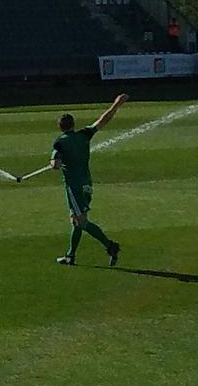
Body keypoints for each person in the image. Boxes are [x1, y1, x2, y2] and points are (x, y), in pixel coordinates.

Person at [16, 96, 127, 267]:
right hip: (87, 184)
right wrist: (117, 104)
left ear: (60, 127)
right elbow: (103, 119)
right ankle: (70, 256)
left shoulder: (59, 143)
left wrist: (54, 163)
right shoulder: (84, 134)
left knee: (81, 221)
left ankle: (110, 245)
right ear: (73, 124)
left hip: (74, 187)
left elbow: (55, 164)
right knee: (75, 220)